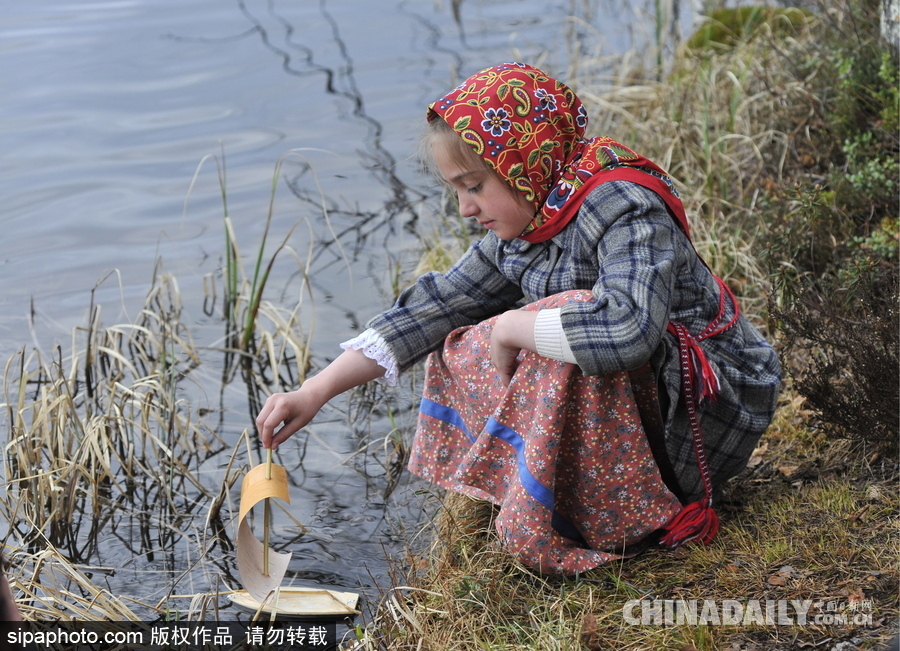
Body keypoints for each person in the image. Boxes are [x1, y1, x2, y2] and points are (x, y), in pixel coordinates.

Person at [256, 62, 781, 574]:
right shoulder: (533, 222)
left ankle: (629, 516)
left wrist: (510, 327)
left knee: (558, 319)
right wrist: (314, 391)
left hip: (707, 408)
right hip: (651, 403)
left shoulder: (624, 205)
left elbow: (627, 331)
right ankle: (568, 495)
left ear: (524, 163)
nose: (465, 208)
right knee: (458, 338)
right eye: (455, 189)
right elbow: (435, 305)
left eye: (475, 185)